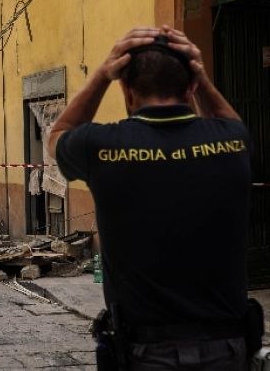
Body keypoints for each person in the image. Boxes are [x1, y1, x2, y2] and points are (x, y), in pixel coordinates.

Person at [49, 27, 252, 371]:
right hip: (226, 347)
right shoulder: (231, 141)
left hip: (145, 352)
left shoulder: (99, 146)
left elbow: (57, 135)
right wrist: (200, 74)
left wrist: (101, 74)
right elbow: (228, 122)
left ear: (127, 91)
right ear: (191, 88)